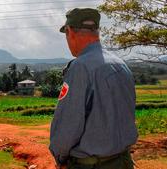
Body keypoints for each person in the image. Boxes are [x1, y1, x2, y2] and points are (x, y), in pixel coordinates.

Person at [49, 8, 138, 169]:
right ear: (96, 30)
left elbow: (68, 126)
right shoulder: (120, 64)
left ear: (70, 31)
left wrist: (60, 158)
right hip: (123, 161)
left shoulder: (80, 67)